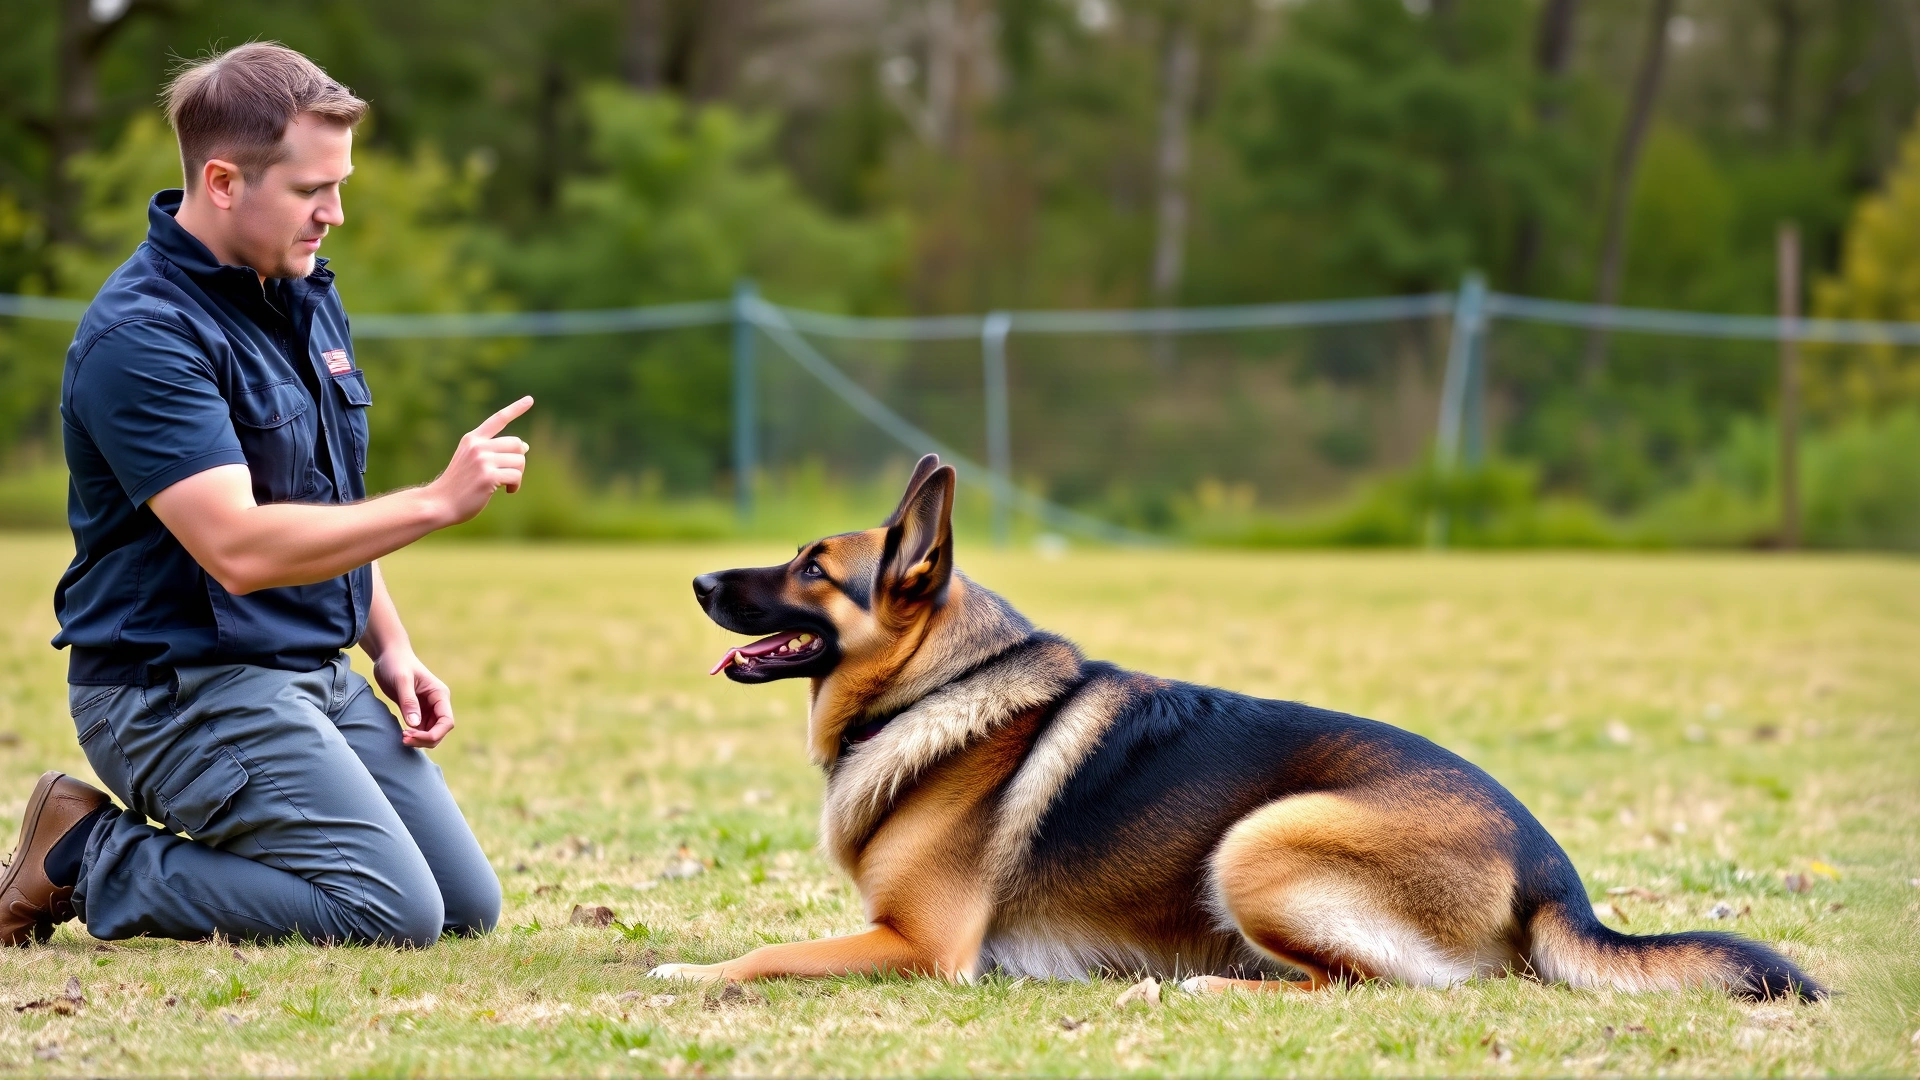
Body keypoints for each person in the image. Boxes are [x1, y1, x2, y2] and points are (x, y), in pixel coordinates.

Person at [0, 43, 531, 947]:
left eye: (340, 184)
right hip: (174, 689)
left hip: (310, 672)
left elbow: (326, 504)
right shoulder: (144, 335)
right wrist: (437, 503)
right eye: (309, 190)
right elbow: (240, 549)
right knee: (390, 912)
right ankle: (85, 852)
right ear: (221, 180)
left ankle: (217, 841)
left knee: (465, 909)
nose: (334, 213)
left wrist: (390, 645)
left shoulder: (301, 292)